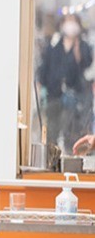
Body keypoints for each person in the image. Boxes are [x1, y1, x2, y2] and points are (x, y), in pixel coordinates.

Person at [39, 14, 93, 149]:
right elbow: (45, 66)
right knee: (52, 130)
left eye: (73, 21)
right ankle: (51, 157)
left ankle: (71, 155)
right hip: (54, 94)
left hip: (76, 97)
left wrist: (77, 50)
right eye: (67, 21)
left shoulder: (83, 46)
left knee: (71, 130)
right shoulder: (54, 44)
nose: (70, 25)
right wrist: (41, 84)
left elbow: (86, 66)